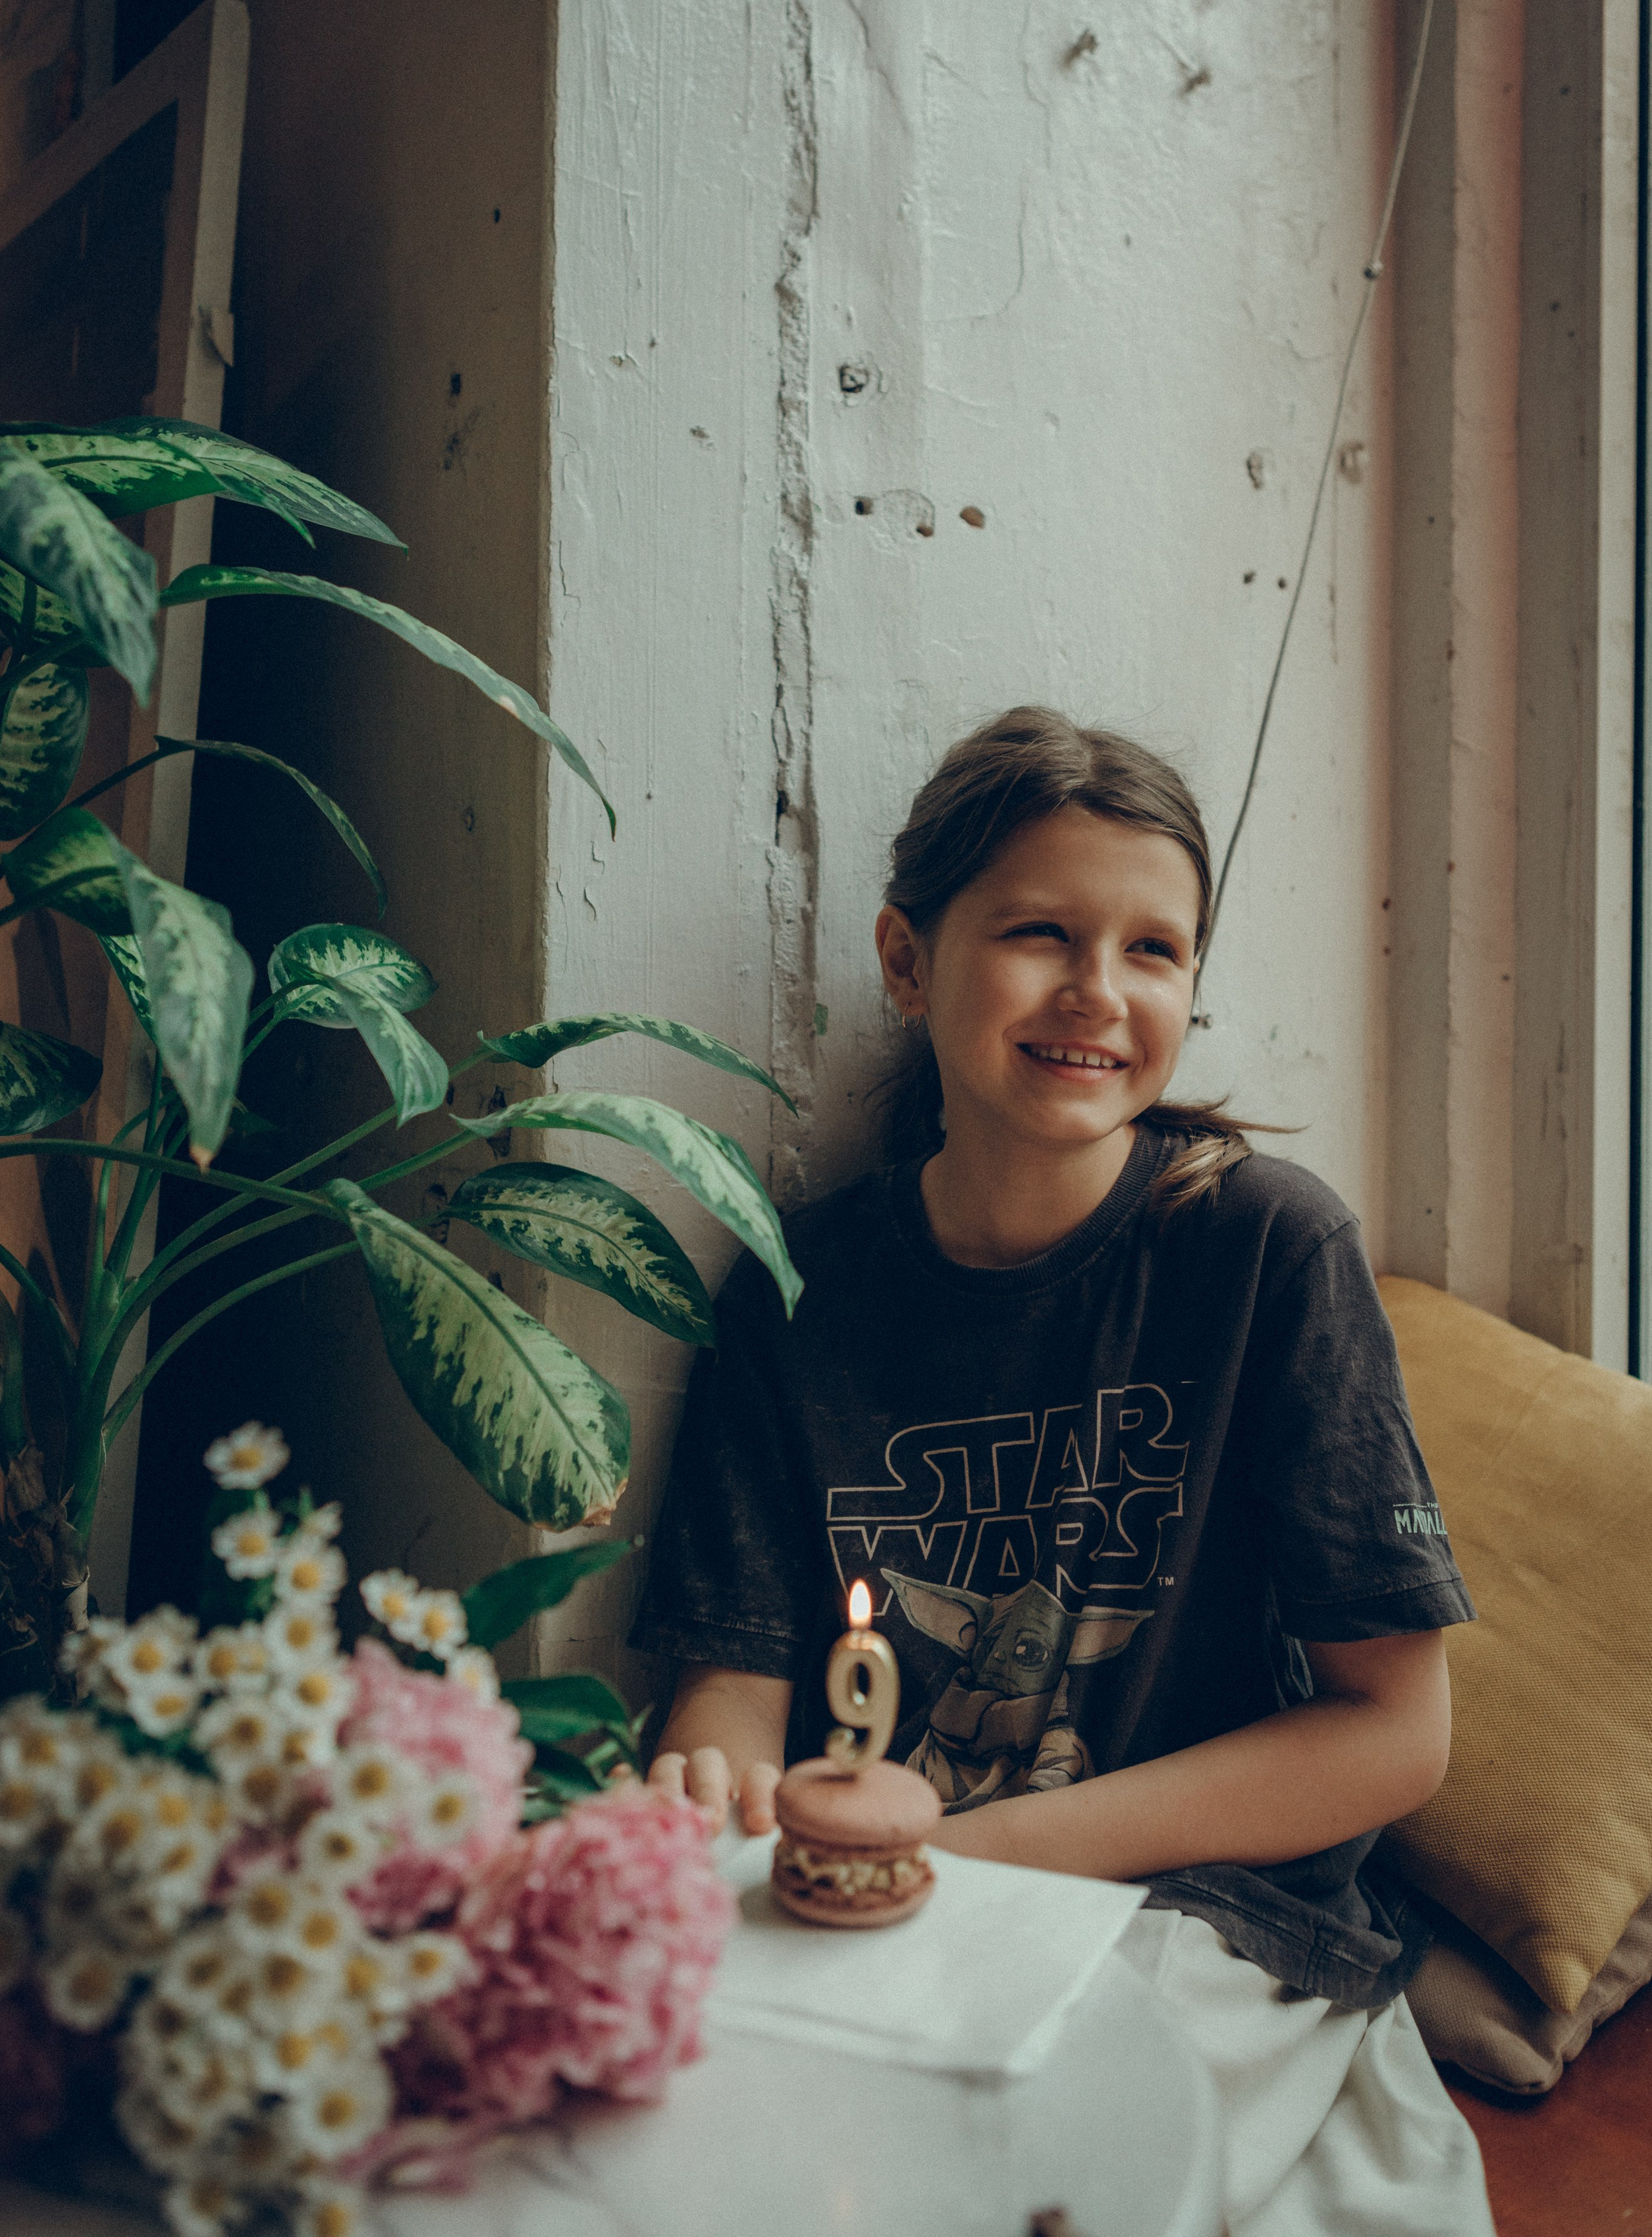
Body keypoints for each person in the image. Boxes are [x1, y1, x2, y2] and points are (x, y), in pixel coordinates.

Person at [636, 707, 1493, 2236]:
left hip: (1208, 1927)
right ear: (907, 960)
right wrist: (726, 1790)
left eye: (1152, 951)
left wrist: (967, 1856)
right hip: (880, 1918)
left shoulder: (1262, 1250)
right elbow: (733, 1673)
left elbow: (1391, 1735)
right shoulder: (793, 1290)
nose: (1096, 994)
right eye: (1040, 932)